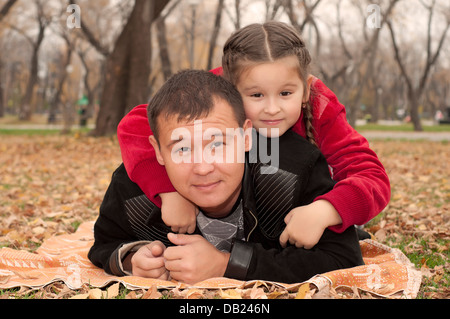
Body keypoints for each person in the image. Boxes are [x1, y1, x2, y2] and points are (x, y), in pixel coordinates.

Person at [117, 21, 390, 250]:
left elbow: (372, 177)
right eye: (256, 95)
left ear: (305, 90)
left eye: (285, 93)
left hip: (303, 207)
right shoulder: (214, 90)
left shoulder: (321, 108)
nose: (272, 109)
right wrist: (169, 192)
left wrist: (326, 211)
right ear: (230, 90)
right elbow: (135, 124)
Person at [88, 70, 364, 284]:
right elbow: (105, 243)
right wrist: (132, 258)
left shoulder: (292, 168)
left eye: (218, 144)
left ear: (246, 136)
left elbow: (343, 257)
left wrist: (227, 264)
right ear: (157, 151)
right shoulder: (135, 187)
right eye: (182, 148)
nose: (203, 167)